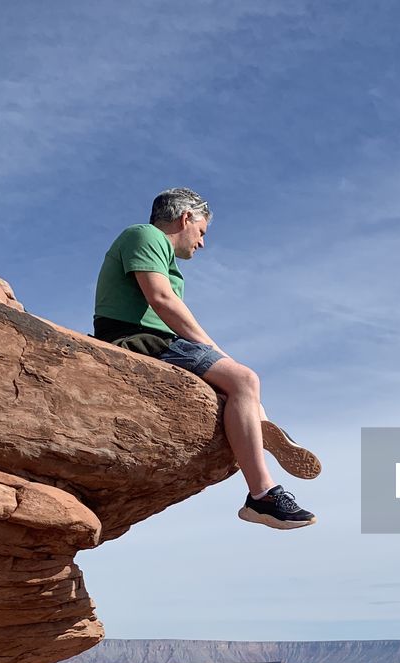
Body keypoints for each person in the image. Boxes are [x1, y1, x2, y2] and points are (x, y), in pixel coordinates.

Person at [92, 187, 319, 529]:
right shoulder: (145, 234)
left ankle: (259, 424)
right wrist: (214, 351)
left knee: (235, 394)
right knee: (244, 379)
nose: (201, 243)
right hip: (135, 339)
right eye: (201, 232)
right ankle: (262, 495)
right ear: (186, 218)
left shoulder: (161, 253)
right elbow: (162, 299)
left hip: (156, 338)